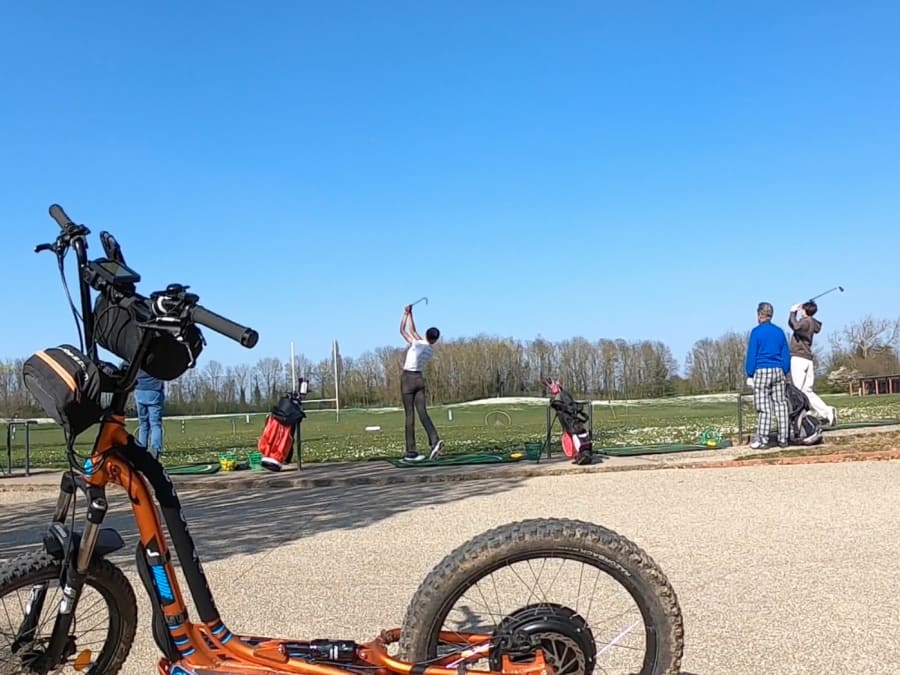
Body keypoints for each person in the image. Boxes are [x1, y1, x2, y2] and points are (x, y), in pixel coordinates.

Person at [399, 304, 443, 462]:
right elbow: (414, 332)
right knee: (423, 412)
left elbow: (403, 330)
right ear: (435, 340)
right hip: (419, 379)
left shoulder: (416, 344)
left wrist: (405, 315)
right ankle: (435, 440)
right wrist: (411, 314)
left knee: (409, 416)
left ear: (426, 335)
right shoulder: (430, 349)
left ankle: (411, 452)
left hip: (408, 379)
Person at [745, 302, 791, 449]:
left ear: (759, 315)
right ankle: (783, 438)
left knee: (763, 407)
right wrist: (784, 370)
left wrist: (750, 373)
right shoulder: (779, 332)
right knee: (781, 404)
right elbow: (785, 354)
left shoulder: (756, 332)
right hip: (778, 370)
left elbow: (752, 355)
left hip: (762, 370)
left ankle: (763, 439)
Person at [788, 300, 838, 426]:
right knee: (807, 391)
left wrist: (792, 312)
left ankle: (802, 417)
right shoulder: (812, 322)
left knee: (798, 391)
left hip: (799, 358)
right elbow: (796, 325)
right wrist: (799, 312)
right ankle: (827, 412)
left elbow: (795, 326)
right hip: (808, 359)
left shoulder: (805, 322)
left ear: (805, 311)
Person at [134, 369, 166, 458]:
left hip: (139, 389)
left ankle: (141, 451)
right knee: (155, 424)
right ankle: (155, 450)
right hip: (154, 389)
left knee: (143, 424)